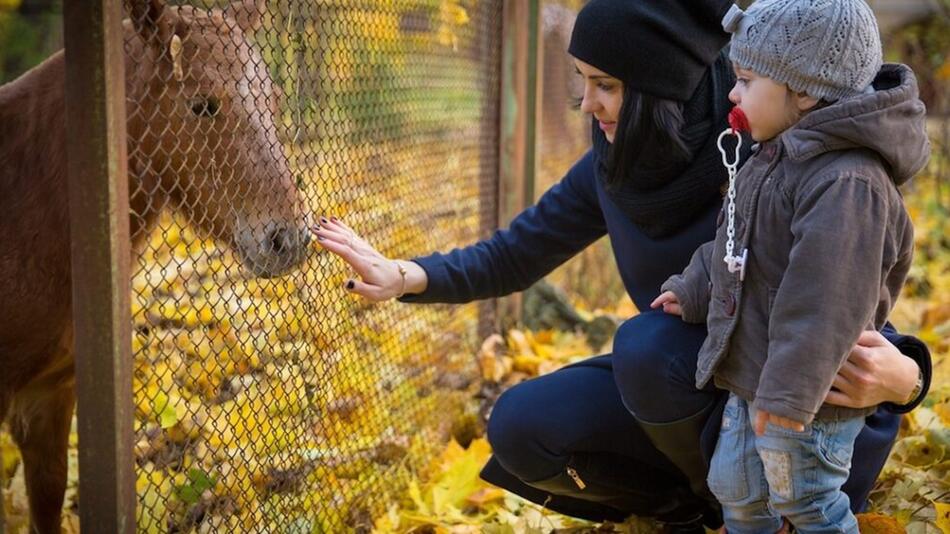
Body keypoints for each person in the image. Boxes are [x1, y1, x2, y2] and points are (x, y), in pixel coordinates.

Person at [312, 0, 932, 531]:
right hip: (708, 390)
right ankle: (704, 510)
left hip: (805, 400)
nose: (586, 104)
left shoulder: (772, 131)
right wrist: (406, 276)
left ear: (660, 83)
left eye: (606, 85)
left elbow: (843, 290)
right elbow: (515, 253)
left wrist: (909, 380)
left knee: (646, 345)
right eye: (581, 81)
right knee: (522, 425)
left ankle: (779, 507)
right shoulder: (616, 164)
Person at [651, 0, 930, 531]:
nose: (732, 95)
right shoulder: (774, 154)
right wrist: (695, 286)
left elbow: (825, 302)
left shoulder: (846, 183)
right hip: (754, 379)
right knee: (737, 488)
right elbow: (736, 243)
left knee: (806, 499)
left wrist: (789, 393)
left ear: (802, 92)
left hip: (808, 397)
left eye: (747, 80)